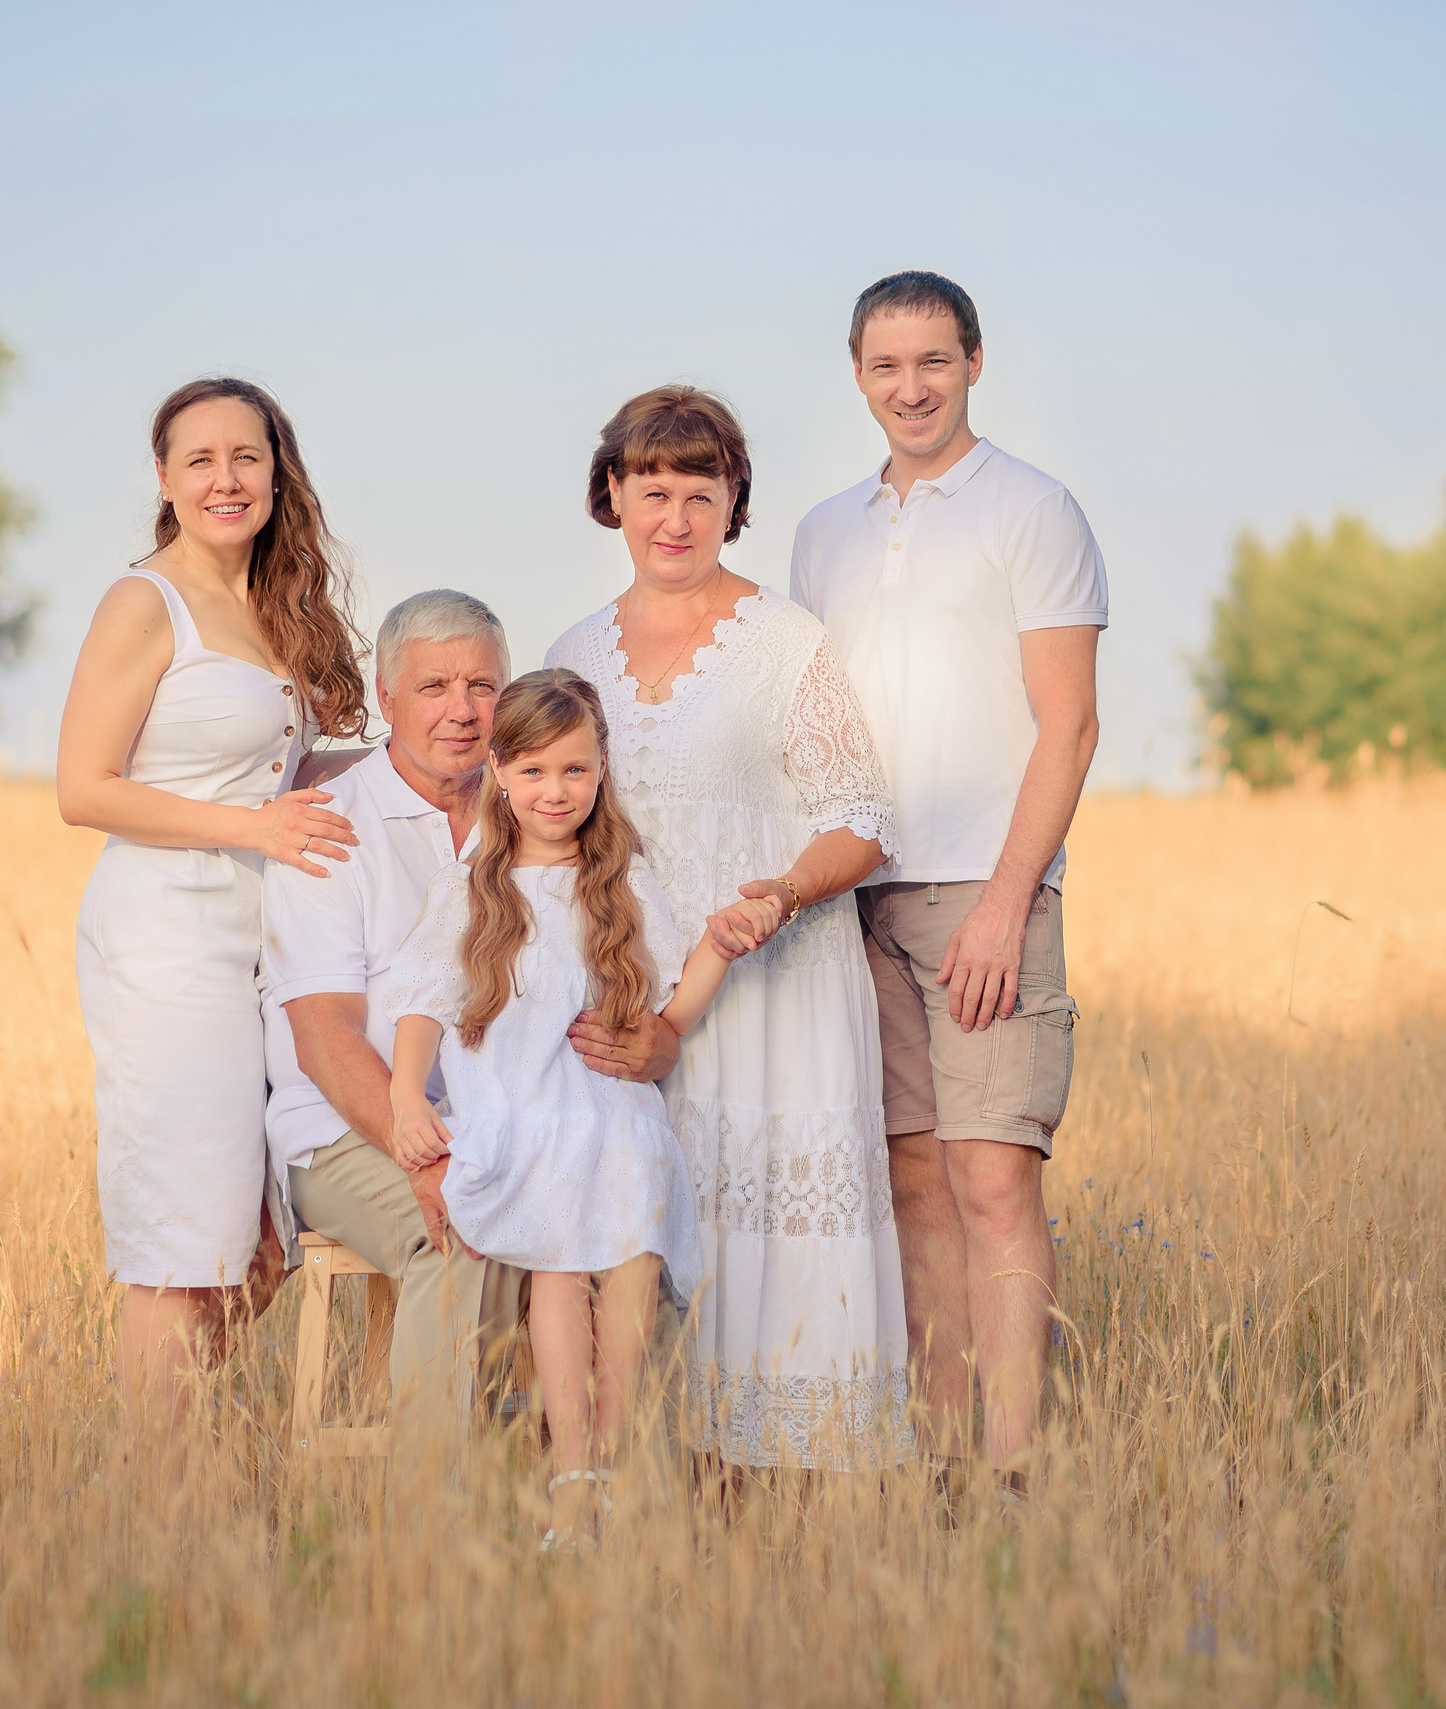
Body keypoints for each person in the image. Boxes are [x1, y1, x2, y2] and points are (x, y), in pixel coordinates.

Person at [545, 385, 911, 1471]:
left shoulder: (784, 640)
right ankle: (651, 1483)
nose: (673, 515)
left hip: (774, 989)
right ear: (611, 494)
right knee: (644, 1228)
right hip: (631, 1002)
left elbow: (865, 816)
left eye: (698, 492)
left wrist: (783, 893)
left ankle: (794, 1495)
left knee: (772, 1235)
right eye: (650, 488)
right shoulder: (575, 648)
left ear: (732, 500)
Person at [788, 271, 1105, 1506]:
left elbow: (1068, 726)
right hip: (851, 896)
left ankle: (1017, 1470)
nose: (909, 386)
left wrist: (1003, 902)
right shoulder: (825, 531)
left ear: (974, 361)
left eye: (932, 360)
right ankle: (942, 1465)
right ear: (856, 375)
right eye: (884, 366)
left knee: (990, 1174)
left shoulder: (1034, 509)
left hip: (983, 888)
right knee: (910, 1177)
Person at [261, 594, 685, 1432]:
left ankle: (631, 1518)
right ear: (386, 700)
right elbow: (323, 1035)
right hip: (353, 1127)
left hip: (523, 1117)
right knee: (458, 1237)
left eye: (482, 685)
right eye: (433, 687)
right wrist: (419, 1154)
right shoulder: (334, 825)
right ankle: (439, 1539)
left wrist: (654, 1047)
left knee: (639, 1227)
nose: (461, 709)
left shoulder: (542, 817)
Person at [383, 669, 773, 1547]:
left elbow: (676, 994)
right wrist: (408, 1092)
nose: (553, 792)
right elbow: (424, 999)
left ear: (601, 771)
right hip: (519, 1116)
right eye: (532, 772)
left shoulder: (620, 879)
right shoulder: (476, 886)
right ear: (499, 773)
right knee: (557, 1268)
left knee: (630, 1237)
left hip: (611, 1110)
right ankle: (575, 1479)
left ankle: (615, 1458)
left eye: (573, 770)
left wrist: (722, 942)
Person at [58, 376, 368, 1414]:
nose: (226, 477)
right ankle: (155, 1508)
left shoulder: (274, 605)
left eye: (247, 456)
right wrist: (253, 827)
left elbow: (288, 774)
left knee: (259, 1246)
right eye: (200, 458)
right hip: (166, 939)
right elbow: (82, 787)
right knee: (185, 1244)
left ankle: (164, 1471)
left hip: (262, 944)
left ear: (277, 472)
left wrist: (442, 760)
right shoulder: (143, 601)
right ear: (164, 478)